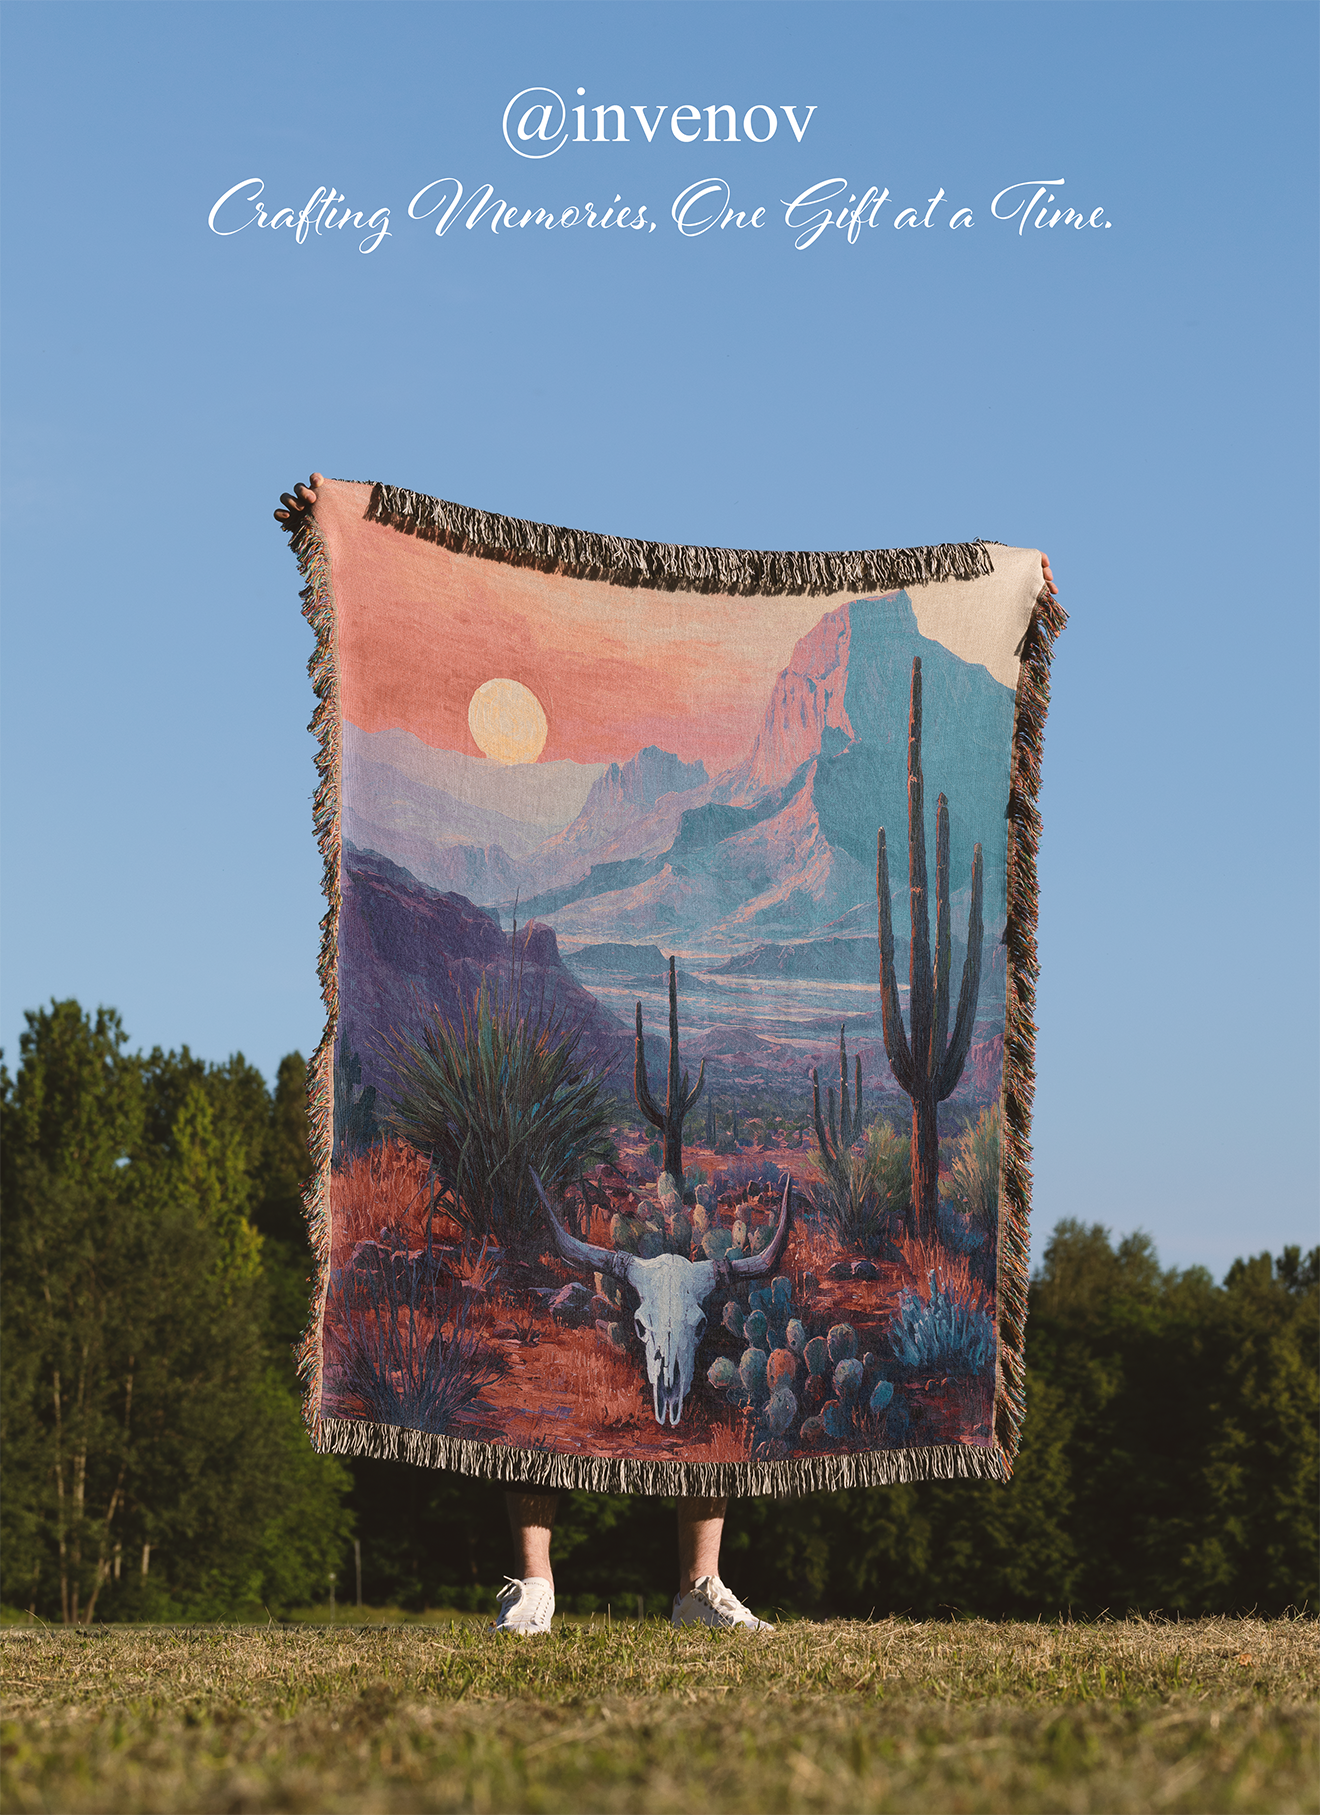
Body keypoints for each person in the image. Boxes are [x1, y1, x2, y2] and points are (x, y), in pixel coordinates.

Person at [274, 475, 1058, 1634]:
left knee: (712, 1337)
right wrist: (339, 515)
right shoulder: (571, 996)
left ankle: (698, 1583)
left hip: (680, 1186)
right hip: (590, 1141)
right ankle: (534, 1582)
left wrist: (1013, 591)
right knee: (552, 1343)